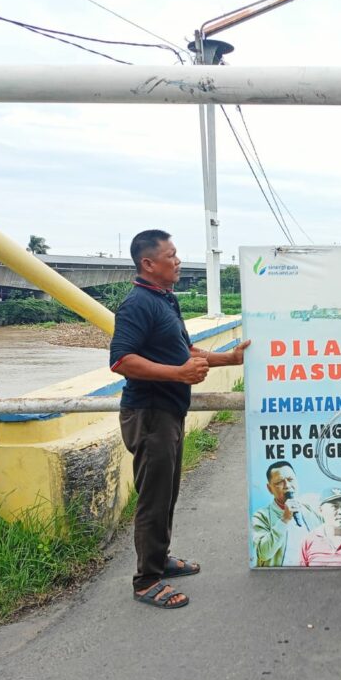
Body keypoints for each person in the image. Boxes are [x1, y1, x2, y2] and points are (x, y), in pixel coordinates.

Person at [110, 229, 249, 609]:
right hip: (149, 413)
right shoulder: (137, 304)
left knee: (167, 491)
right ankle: (146, 580)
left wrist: (228, 358)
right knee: (154, 498)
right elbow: (121, 360)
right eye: (170, 255)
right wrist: (178, 375)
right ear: (148, 264)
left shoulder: (164, 300)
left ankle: (160, 559)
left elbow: (183, 350)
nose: (178, 261)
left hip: (168, 411)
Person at [251, 461, 322, 567]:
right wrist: (284, 519)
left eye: (290, 479)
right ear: (269, 488)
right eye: (280, 482)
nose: (287, 485)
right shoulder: (261, 516)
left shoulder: (313, 512)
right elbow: (263, 554)